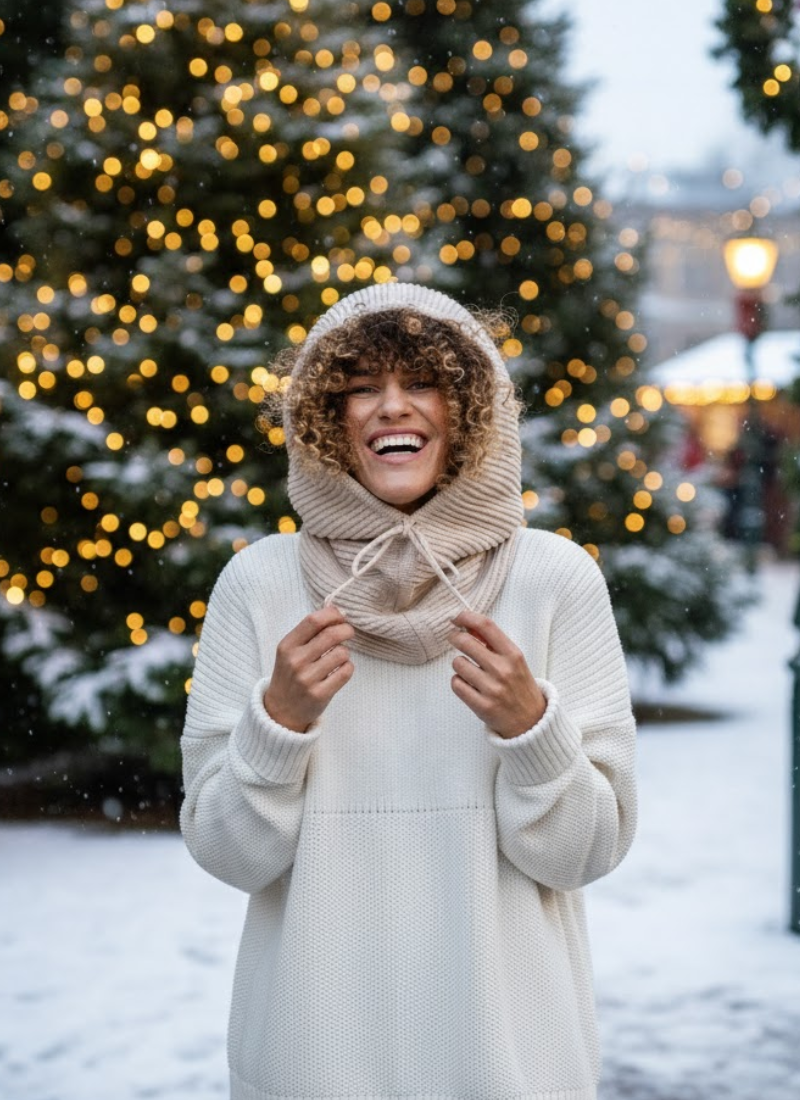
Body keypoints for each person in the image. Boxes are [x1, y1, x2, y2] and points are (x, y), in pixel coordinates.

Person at [180, 282, 637, 1100]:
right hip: (310, 1066)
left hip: (511, 1071)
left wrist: (532, 732)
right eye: (359, 387)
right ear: (324, 417)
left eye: (421, 382)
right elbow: (228, 854)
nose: (391, 408)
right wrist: (277, 726)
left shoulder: (555, 578)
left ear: (471, 409)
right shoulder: (257, 584)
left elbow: (586, 853)